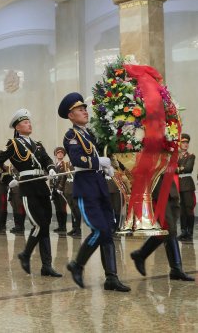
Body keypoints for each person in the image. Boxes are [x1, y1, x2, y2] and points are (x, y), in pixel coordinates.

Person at [58, 93, 130, 291]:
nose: (84, 111)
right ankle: (77, 265)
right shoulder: (71, 135)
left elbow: (101, 153)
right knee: (100, 230)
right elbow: (77, 160)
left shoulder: (90, 134)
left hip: (100, 187)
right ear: (71, 115)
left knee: (109, 231)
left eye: (84, 108)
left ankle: (111, 277)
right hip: (86, 188)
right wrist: (99, 162)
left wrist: (107, 165)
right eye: (80, 109)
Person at [0, 109, 61, 277]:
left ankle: (46, 265)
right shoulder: (13, 144)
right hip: (27, 187)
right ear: (17, 127)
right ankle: (25, 254)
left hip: (41, 186)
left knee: (45, 226)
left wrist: (51, 169)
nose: (29, 124)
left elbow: (46, 160)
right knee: (39, 224)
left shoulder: (37, 144)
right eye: (24, 122)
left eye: (29, 122)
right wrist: (7, 179)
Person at [130, 175, 194, 281]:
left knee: (170, 229)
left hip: (169, 187)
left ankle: (175, 269)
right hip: (156, 188)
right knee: (169, 228)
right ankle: (142, 254)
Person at [177, 133, 195, 241]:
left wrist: (178, 168)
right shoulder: (176, 156)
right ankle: (183, 231)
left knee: (188, 209)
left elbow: (188, 168)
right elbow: (171, 167)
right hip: (179, 184)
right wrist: (180, 168)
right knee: (182, 210)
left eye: (187, 142)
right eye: (183, 142)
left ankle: (190, 232)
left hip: (187, 185)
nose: (185, 144)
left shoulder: (191, 156)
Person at [52, 147, 69, 233]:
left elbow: (64, 176)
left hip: (61, 190)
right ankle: (60, 226)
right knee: (57, 208)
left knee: (62, 208)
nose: (60, 154)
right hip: (54, 189)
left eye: (62, 153)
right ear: (55, 154)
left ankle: (64, 226)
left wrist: (60, 187)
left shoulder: (65, 164)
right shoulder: (54, 165)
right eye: (58, 153)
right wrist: (51, 188)